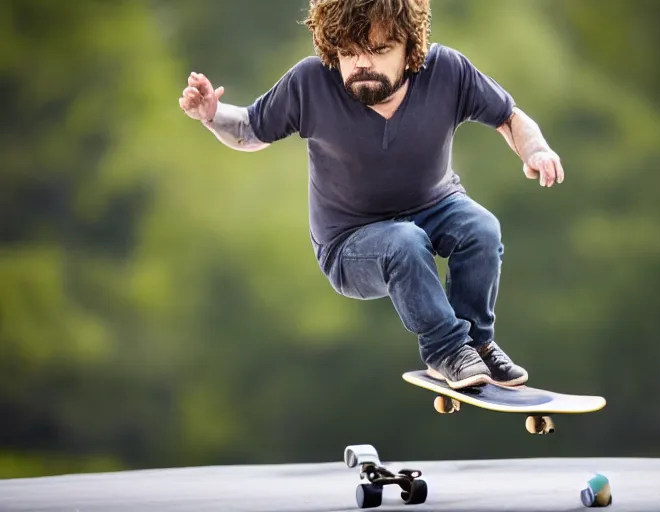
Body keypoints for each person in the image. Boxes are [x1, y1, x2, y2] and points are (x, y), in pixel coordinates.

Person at [178, 0, 564, 390]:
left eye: (378, 51)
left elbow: (509, 116)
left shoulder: (447, 71)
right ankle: (445, 351)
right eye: (348, 53)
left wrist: (536, 149)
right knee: (404, 242)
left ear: (410, 49)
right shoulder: (311, 82)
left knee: (481, 229)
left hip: (436, 206)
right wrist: (212, 115)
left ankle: (476, 346)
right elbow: (250, 129)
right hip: (349, 243)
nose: (361, 65)